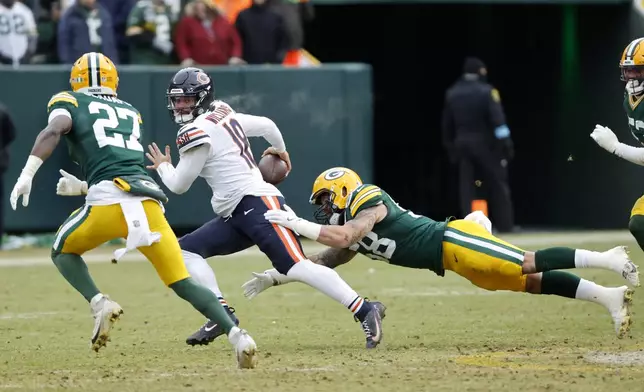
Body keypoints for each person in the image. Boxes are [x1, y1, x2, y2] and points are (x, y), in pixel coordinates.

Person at [11, 52, 257, 369]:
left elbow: (53, 131)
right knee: (182, 281)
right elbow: (122, 166)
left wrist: (27, 174)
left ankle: (99, 303)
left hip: (107, 205)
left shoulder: (68, 101)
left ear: (76, 80)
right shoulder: (130, 111)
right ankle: (239, 336)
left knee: (61, 251)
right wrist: (85, 186)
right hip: (148, 204)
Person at [143, 67, 386, 349]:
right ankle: (219, 314)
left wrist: (162, 166)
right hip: (235, 212)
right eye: (176, 100)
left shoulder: (196, 131)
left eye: (186, 100)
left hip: (258, 205)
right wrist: (280, 150)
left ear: (202, 98)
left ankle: (365, 309)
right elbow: (268, 126)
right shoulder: (222, 112)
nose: (179, 106)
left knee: (297, 266)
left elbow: (179, 185)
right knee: (184, 250)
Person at [243, 167, 639, 339]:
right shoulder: (349, 229)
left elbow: (346, 236)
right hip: (450, 262)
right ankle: (607, 297)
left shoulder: (367, 200)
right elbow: (326, 260)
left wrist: (300, 226)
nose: (324, 207)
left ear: (345, 190)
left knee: (525, 261)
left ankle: (608, 257)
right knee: (528, 283)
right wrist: (280, 273)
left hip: (451, 239)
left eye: (327, 198)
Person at [442, 57, 515, 232]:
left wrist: (450, 147)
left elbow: (446, 125)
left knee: (467, 187)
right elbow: (498, 120)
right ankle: (505, 225)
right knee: (497, 183)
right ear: (480, 72)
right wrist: (506, 144)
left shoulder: (452, 93)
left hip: (462, 146)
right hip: (486, 146)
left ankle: (469, 228)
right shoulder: (487, 91)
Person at [591, 37, 644, 256]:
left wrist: (616, 147)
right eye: (628, 71)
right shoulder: (629, 99)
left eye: (638, 71)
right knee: (639, 223)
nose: (631, 77)